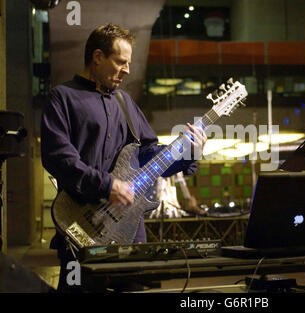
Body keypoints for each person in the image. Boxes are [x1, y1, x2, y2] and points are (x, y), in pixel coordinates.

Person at [41, 24, 207, 292]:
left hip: (129, 231)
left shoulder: (125, 103)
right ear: (97, 57)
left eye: (129, 63)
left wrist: (189, 153)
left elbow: (150, 157)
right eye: (120, 62)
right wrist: (108, 185)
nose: (127, 70)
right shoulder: (63, 98)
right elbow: (57, 157)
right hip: (80, 226)